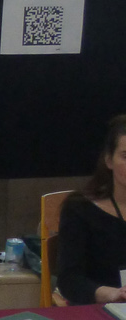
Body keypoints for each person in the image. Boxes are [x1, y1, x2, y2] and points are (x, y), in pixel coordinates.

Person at [56, 112, 126, 304]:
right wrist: (112, 294)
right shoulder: (80, 208)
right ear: (109, 160)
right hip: (101, 310)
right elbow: (69, 280)